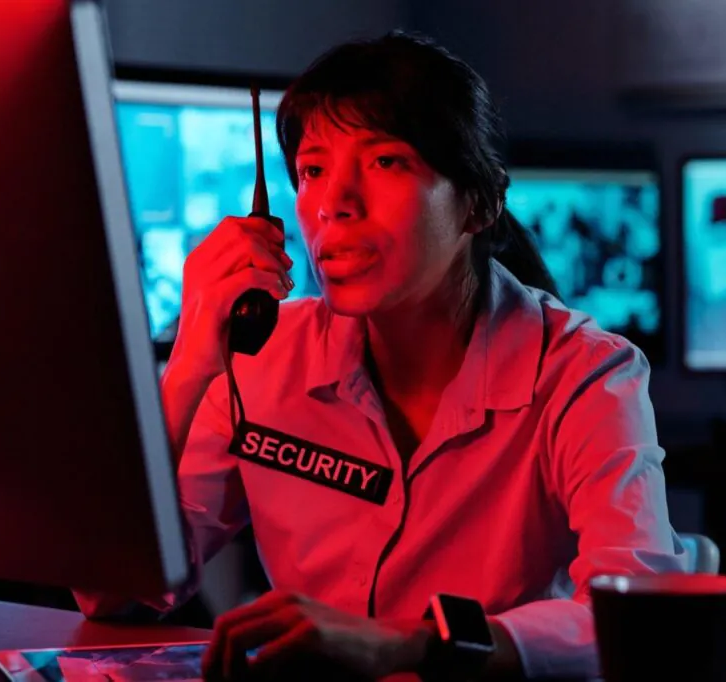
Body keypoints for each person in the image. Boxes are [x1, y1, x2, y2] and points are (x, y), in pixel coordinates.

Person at [76, 31, 687, 681]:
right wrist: (194, 359)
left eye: (385, 162)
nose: (335, 203)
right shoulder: (260, 360)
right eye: (313, 170)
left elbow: (633, 621)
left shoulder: (586, 374)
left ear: (478, 203)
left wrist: (415, 643)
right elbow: (110, 592)